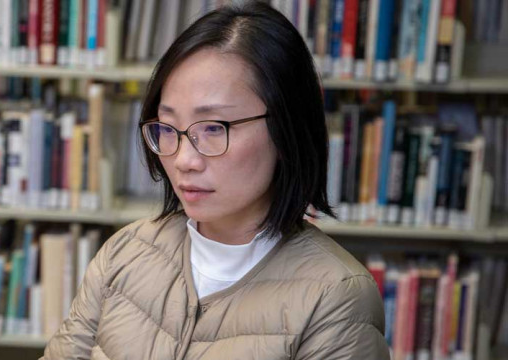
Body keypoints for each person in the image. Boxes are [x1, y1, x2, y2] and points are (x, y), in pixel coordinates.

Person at [42, 2, 388, 359]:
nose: (183, 160)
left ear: (286, 129)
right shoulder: (125, 252)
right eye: (168, 127)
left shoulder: (337, 296)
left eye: (213, 128)